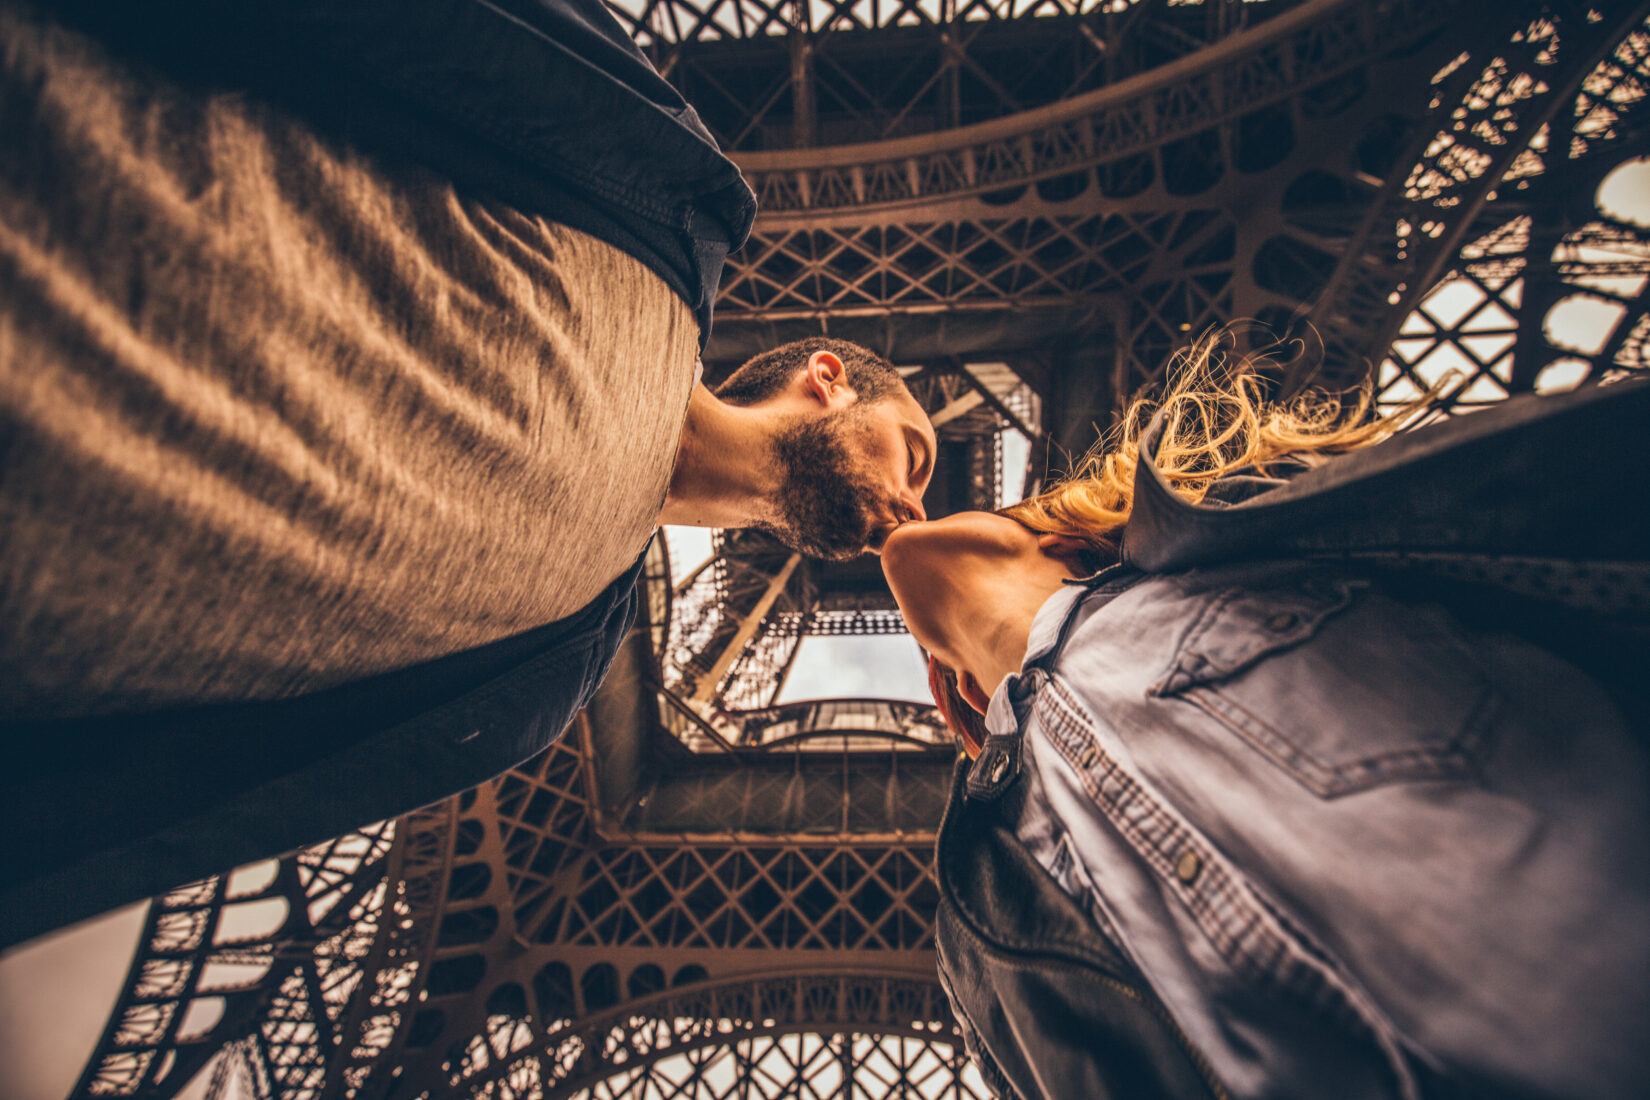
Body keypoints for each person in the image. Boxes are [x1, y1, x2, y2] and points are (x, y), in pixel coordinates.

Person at [0, 0, 934, 945]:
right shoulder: (657, 205)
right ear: (829, 378)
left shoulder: (544, 678)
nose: (916, 509)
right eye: (917, 452)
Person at [881, 330, 1650, 1099]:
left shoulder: (1263, 556)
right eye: (937, 667)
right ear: (969, 695)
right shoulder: (976, 917)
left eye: (1003, 518)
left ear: (1068, 546)